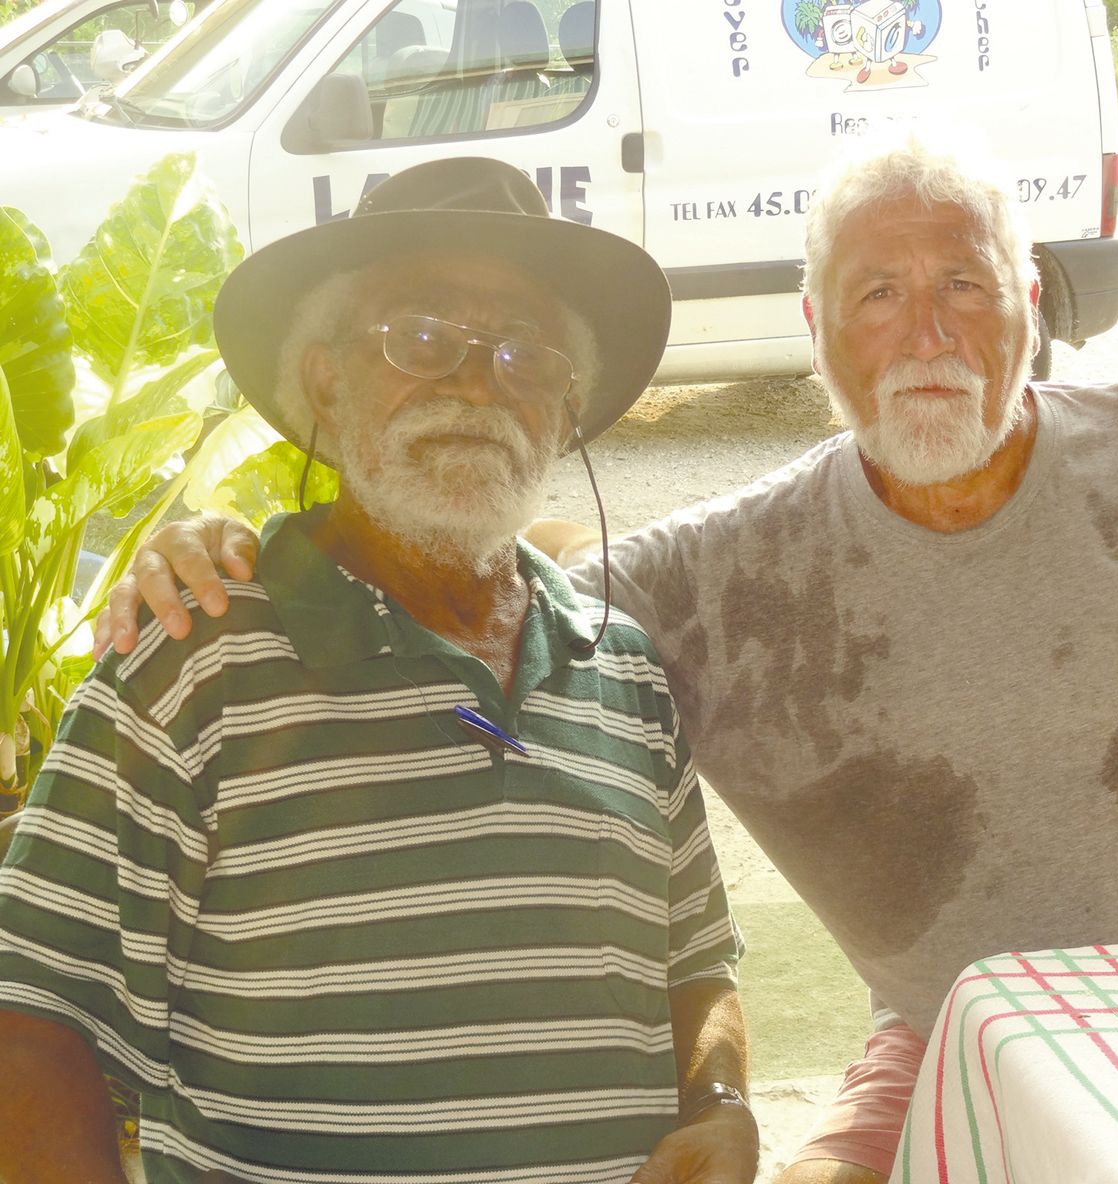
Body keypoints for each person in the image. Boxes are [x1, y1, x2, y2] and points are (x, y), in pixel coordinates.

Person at [96, 136, 1118, 1184]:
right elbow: (460, 561)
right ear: (815, 334)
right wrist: (227, 543)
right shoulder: (714, 575)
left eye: (964, 283)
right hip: (947, 1040)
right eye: (875, 292)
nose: (922, 327)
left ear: (1032, 312)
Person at [0, 158, 757, 1184]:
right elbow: (31, 1026)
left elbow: (696, 962)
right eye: (420, 336)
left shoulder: (620, 669)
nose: (476, 379)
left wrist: (719, 1098)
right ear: (324, 379)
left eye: (523, 351)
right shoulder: (193, 662)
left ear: (566, 408)